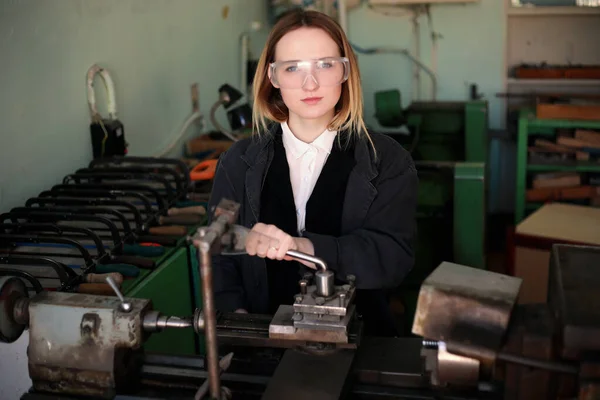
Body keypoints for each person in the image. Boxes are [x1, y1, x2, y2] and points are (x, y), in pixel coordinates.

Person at [207, 8, 418, 337]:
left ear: (345, 71)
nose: (310, 82)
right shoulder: (238, 162)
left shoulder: (387, 161)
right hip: (262, 343)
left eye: (325, 64)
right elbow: (219, 255)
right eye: (293, 68)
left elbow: (392, 258)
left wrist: (304, 247)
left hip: (359, 343)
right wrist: (239, 320)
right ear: (273, 78)